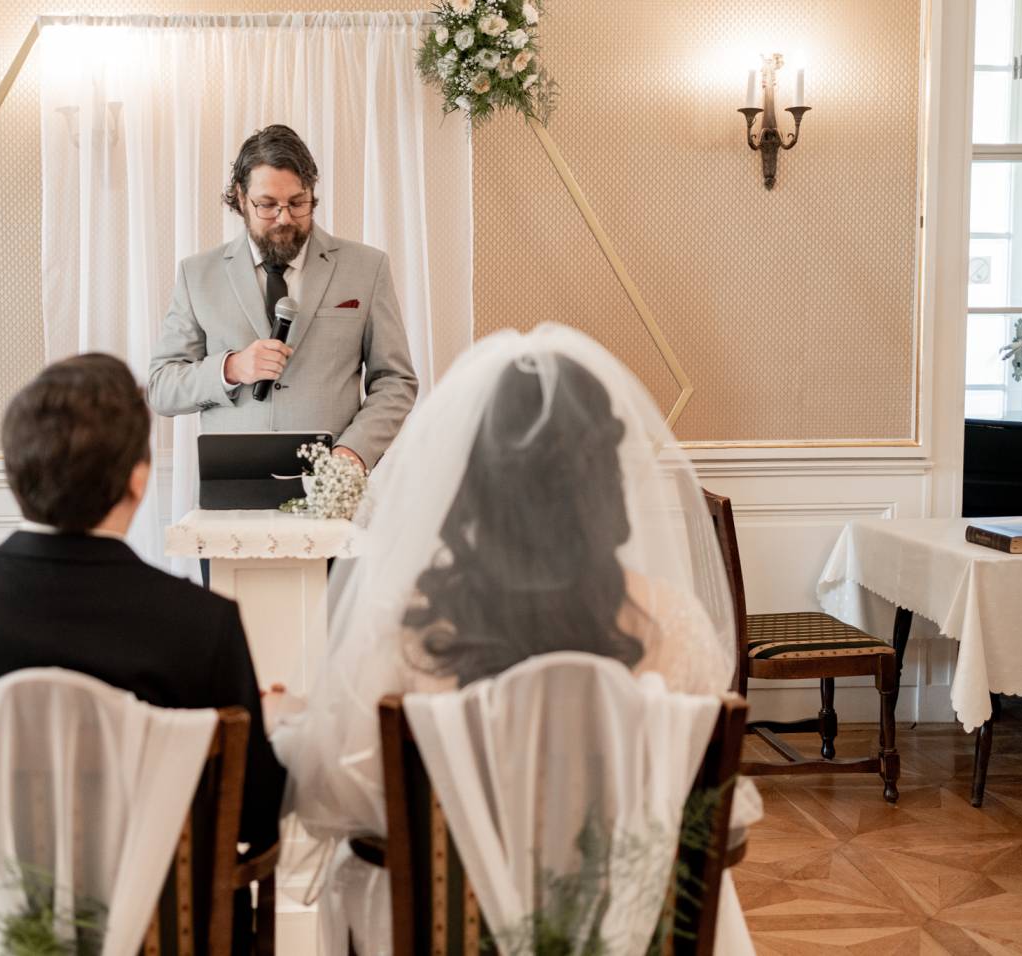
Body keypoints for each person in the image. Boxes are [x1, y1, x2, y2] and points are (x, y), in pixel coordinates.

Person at [267, 325, 757, 954]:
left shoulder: (407, 631)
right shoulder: (674, 626)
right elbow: (710, 812)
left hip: (449, 934)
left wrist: (293, 725)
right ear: (605, 482)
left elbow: (336, 803)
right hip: (618, 935)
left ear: (472, 484)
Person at [0, 353, 285, 856]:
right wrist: (271, 726)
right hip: (158, 904)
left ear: (14, 471)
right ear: (138, 479)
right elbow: (253, 814)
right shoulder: (203, 624)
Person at [148, 124, 418, 473]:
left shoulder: (367, 268)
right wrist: (231, 368)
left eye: (297, 203)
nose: (285, 217)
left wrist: (354, 451)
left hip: (330, 484)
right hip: (233, 484)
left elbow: (395, 381)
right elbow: (162, 388)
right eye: (267, 205)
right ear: (241, 198)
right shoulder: (197, 274)